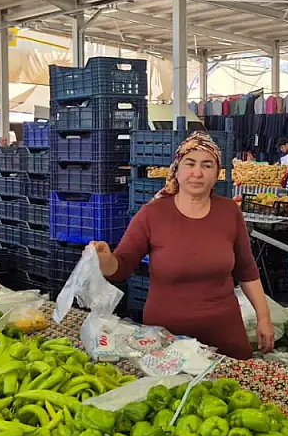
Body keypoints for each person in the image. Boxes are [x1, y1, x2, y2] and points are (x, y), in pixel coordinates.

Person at [89, 132, 271, 360]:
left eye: (207, 165)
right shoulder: (152, 214)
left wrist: (263, 317)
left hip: (225, 335)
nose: (197, 173)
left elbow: (247, 270)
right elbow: (121, 267)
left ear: (217, 174)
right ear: (176, 169)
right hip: (166, 339)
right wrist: (105, 258)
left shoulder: (229, 212)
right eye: (190, 163)